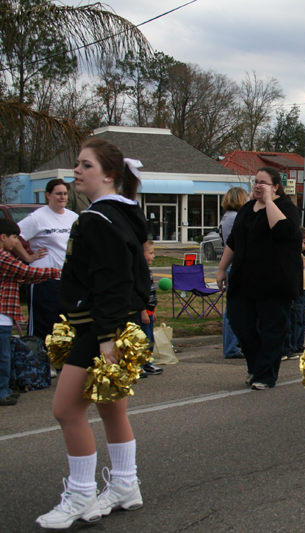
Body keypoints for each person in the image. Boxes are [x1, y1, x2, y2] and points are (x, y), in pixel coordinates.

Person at [36, 138, 151, 528]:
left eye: (85, 166)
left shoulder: (97, 219)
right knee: (110, 406)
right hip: (116, 322)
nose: (76, 172)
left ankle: (81, 493)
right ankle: (124, 484)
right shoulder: (122, 214)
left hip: (100, 326)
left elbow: (112, 280)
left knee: (66, 409)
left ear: (108, 174)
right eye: (78, 165)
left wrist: (104, 337)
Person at [216, 167, 302, 390]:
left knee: (272, 328)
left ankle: (265, 375)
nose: (257, 186)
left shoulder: (285, 207)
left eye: (263, 182)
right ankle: (256, 366)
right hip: (243, 279)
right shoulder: (246, 209)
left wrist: (269, 201)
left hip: (274, 281)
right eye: (256, 182)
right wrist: (221, 269)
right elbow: (234, 242)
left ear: (275, 187)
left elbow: (283, 230)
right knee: (239, 321)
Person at [0, 219, 61, 407]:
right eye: (13, 238)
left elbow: (19, 275)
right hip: (1, 314)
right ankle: (2, 391)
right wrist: (55, 272)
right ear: (3, 237)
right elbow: (25, 272)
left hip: (5, 314)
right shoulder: (3, 257)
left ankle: (6, 388)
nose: (16, 242)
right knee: (2, 355)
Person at [13, 179, 78, 341]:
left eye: (64, 194)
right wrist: (28, 257)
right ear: (48, 195)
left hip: (66, 280)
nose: (62, 197)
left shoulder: (73, 217)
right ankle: (38, 362)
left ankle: (60, 364)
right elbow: (14, 237)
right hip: (43, 280)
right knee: (43, 326)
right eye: (58, 194)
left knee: (65, 326)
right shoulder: (38, 217)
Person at [282, 227, 305, 360]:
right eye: (303, 243)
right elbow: (302, 265)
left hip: (302, 289)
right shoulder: (292, 253)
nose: (304, 246)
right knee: (295, 319)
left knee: (301, 319)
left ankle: (298, 344)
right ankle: (291, 346)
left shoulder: (299, 254)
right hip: (295, 289)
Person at [219, 187, 248, 359]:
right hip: (235, 265)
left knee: (234, 307)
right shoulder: (236, 218)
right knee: (234, 308)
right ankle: (231, 347)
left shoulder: (226, 217)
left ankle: (233, 344)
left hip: (230, 264)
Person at [139, 240, 162, 377]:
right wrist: (143, 312)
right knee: (143, 339)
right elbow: (139, 294)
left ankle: (147, 363)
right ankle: (139, 364)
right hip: (142, 313)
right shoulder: (139, 272)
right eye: (150, 253)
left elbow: (151, 292)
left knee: (150, 339)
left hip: (149, 311)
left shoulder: (148, 271)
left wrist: (153, 311)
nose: (153, 256)